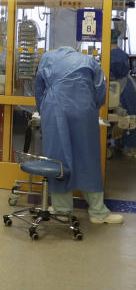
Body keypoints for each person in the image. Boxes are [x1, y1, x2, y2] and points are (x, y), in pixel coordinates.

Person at [35, 46, 122, 224]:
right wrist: (90, 106)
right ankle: (98, 212)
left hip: (55, 108)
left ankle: (62, 209)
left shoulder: (47, 58)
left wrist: (43, 110)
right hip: (83, 109)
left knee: (58, 158)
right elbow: (100, 91)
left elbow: (39, 88)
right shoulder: (88, 61)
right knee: (87, 157)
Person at [109, 37, 136, 157]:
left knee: (129, 116)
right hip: (125, 85)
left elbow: (117, 71)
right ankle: (122, 142)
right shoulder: (119, 53)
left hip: (123, 88)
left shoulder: (113, 55)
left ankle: (130, 146)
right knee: (128, 115)